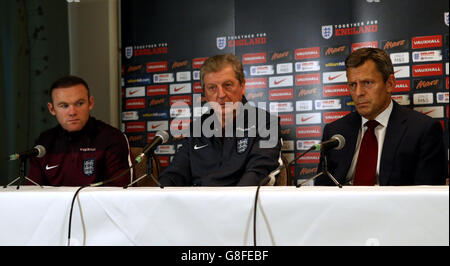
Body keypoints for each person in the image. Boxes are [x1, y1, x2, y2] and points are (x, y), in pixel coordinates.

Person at [315, 47, 447, 186]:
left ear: (390, 84)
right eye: (353, 85)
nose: (358, 92)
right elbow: (321, 190)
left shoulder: (422, 130)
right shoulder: (335, 131)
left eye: (367, 83)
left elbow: (428, 197)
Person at [158, 53, 282, 186]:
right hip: (199, 205)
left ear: (243, 86)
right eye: (212, 88)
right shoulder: (197, 128)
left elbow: (256, 175)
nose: (221, 95)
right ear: (205, 93)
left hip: (243, 204)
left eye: (228, 85)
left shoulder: (266, 123)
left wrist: (225, 205)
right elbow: (174, 174)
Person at [28, 75, 133, 186]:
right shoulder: (44, 142)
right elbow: (32, 193)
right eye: (64, 106)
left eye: (79, 103)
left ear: (90, 103)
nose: (72, 112)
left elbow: (122, 194)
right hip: (55, 204)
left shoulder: (111, 138)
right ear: (52, 109)